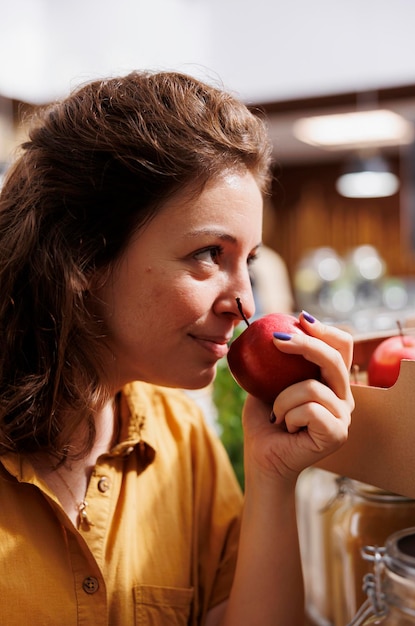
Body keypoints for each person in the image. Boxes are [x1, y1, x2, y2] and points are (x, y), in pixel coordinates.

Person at [0, 70, 354, 626]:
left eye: (249, 262)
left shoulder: (183, 440)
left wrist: (274, 477)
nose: (245, 304)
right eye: (210, 253)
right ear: (83, 256)